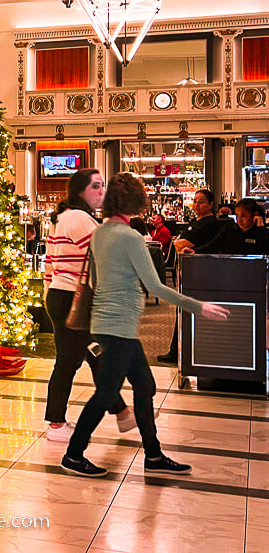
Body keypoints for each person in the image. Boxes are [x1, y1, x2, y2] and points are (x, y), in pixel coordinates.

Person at [61, 174, 229, 477]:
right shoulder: (130, 237)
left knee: (144, 386)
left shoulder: (100, 233)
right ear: (135, 202)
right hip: (118, 328)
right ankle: (74, 454)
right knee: (106, 393)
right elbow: (156, 286)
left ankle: (153, 455)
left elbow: (97, 282)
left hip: (105, 325)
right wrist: (199, 307)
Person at [43, 169, 134, 442]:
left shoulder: (62, 219)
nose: (101, 192)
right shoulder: (78, 218)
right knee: (71, 361)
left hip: (65, 296)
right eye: (96, 186)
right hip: (75, 298)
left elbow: (50, 264)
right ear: (80, 190)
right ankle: (56, 424)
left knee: (96, 356)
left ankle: (123, 413)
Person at [157, 189, 227, 363]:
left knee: (187, 309)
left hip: (200, 273)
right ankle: (176, 350)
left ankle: (180, 351)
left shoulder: (208, 224)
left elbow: (180, 244)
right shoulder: (196, 223)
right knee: (183, 309)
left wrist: (180, 244)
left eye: (201, 201)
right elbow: (177, 245)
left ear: (211, 204)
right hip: (190, 271)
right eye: (195, 201)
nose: (196, 205)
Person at [184, 198, 268, 255]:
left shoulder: (261, 233)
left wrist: (260, 228)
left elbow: (264, 251)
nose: (240, 220)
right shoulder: (230, 228)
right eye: (237, 216)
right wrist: (195, 251)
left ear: (255, 215)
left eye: (244, 216)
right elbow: (213, 245)